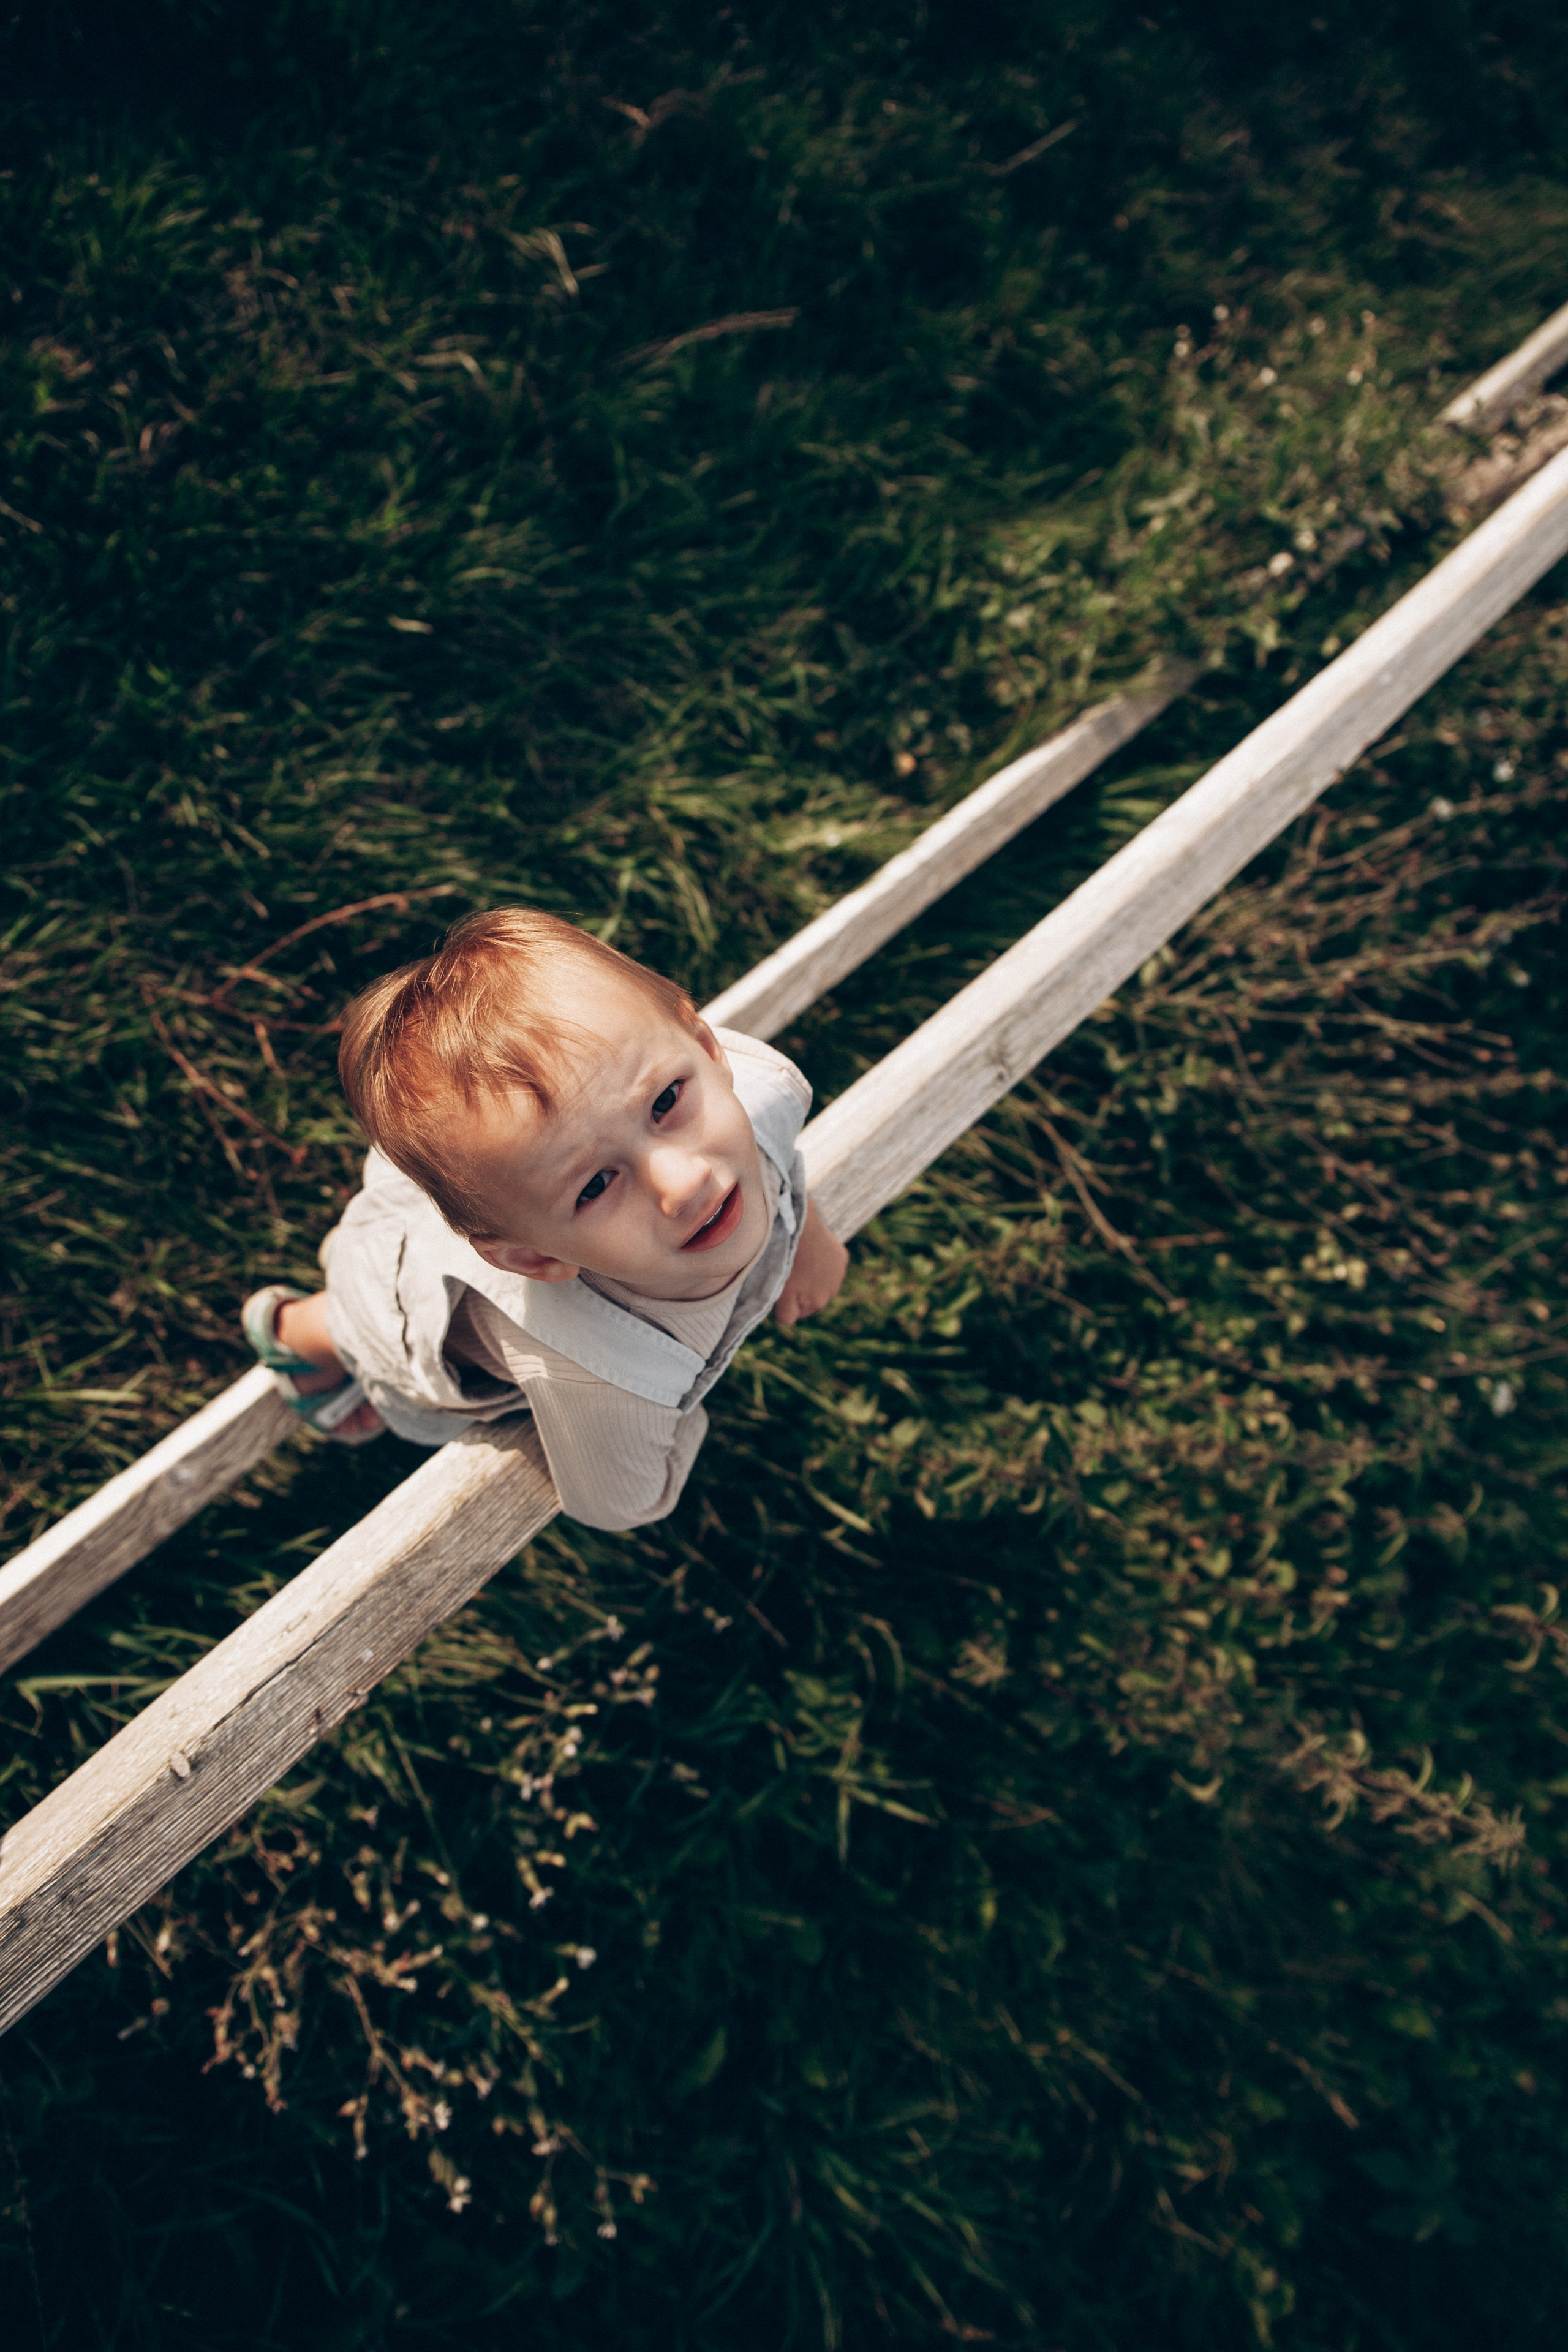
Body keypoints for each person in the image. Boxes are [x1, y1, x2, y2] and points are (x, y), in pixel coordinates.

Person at [240, 907, 848, 1531]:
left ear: (706, 1047)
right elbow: (620, 1501)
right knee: (352, 1314)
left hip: (486, 1204)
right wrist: (674, 1411)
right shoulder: (603, 1372)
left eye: (665, 1102)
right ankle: (296, 1334)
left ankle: (352, 1250)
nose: (685, 1181)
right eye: (596, 1186)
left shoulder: (749, 1099)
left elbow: (774, 1153)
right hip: (406, 1302)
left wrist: (805, 1237)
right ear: (535, 1258)